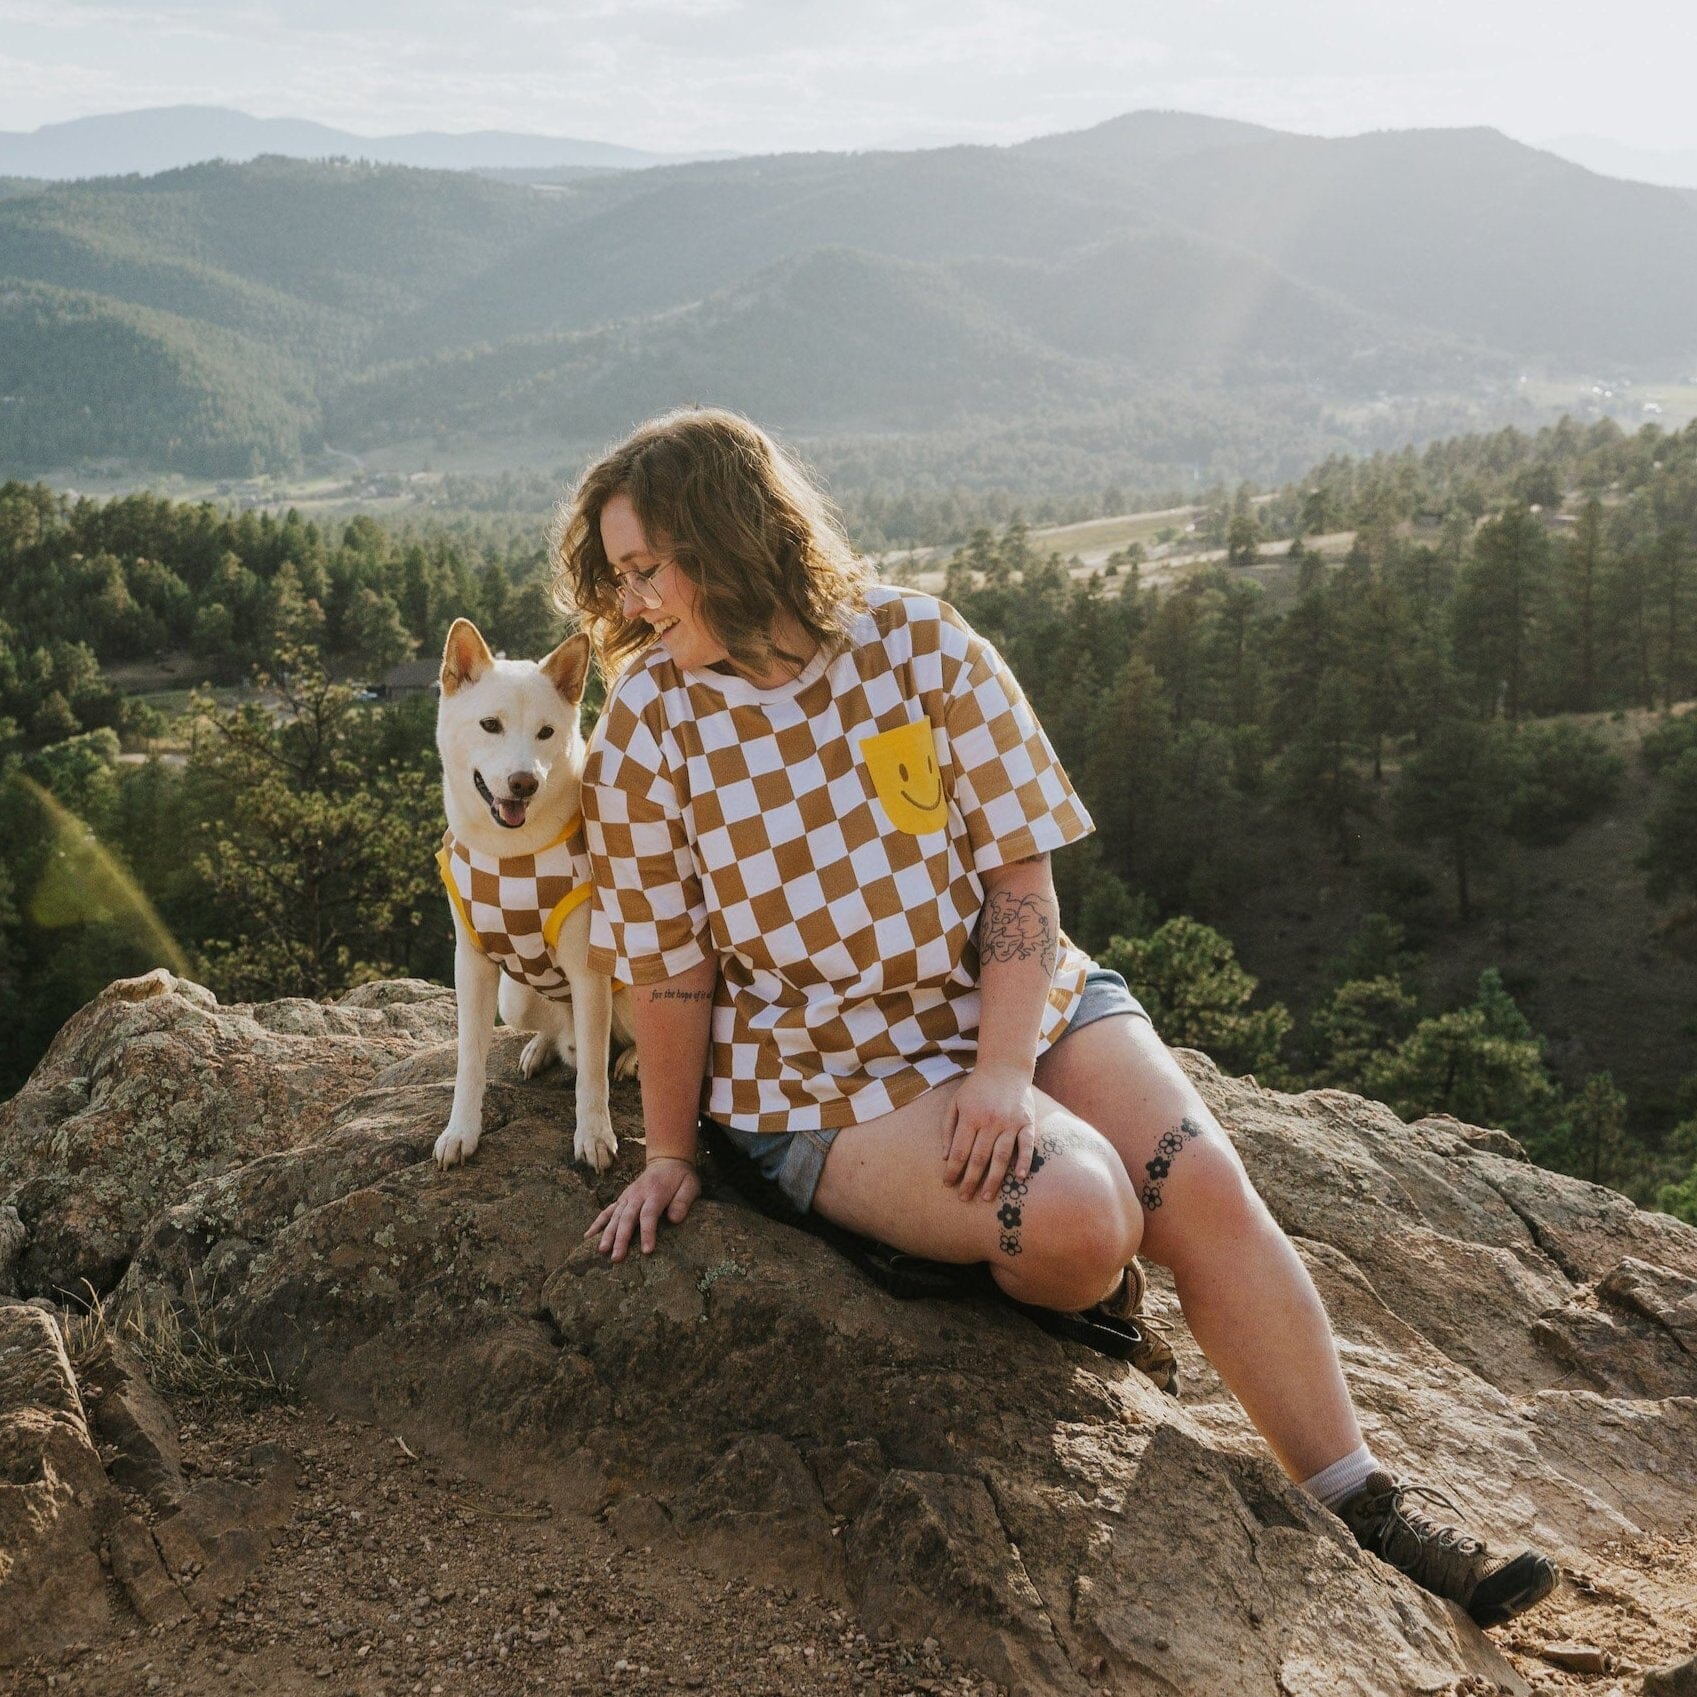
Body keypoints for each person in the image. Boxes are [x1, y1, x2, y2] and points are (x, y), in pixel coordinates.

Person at [552, 406, 1558, 1629]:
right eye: (619, 577)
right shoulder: (653, 721)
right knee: (1079, 1215)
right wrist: (668, 1151)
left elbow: (1017, 881)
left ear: (727, 533)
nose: (636, 600)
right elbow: (666, 969)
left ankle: (1367, 1506)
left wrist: (999, 1070)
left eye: (648, 565)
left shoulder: (915, 644)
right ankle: (969, 1255)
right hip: (821, 1071)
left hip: (1012, 999)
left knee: (1201, 1185)